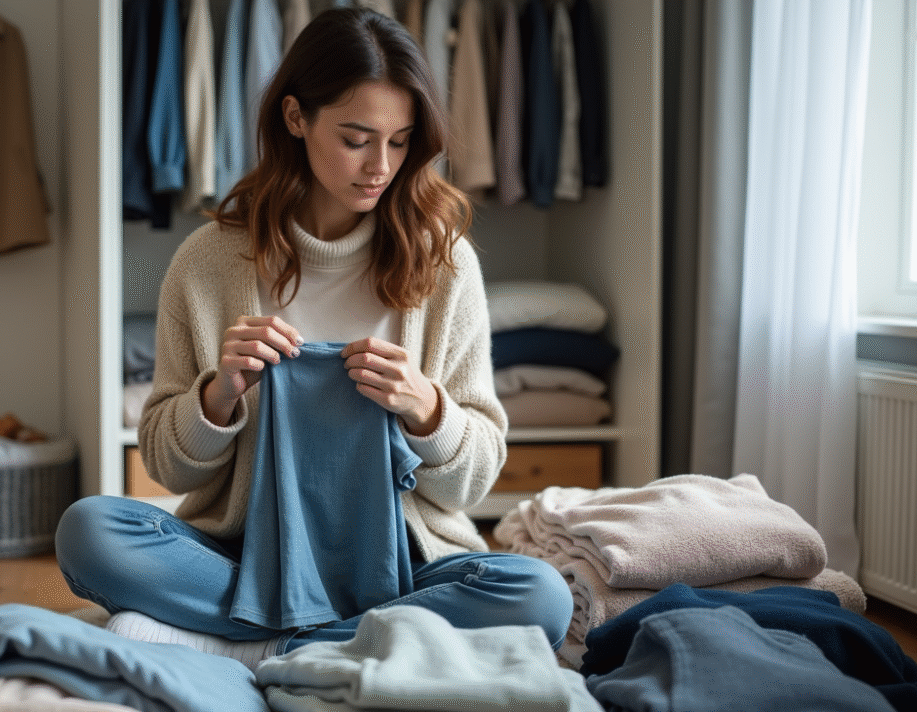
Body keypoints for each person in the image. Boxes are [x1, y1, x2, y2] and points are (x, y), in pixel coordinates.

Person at [55, 6, 572, 671]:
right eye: (356, 139)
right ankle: (360, 642)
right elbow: (165, 464)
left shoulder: (444, 263)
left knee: (541, 595)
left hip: (404, 566)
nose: (380, 166)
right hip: (245, 561)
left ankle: (261, 643)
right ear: (296, 118)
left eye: (400, 141)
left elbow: (474, 481)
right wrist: (218, 397)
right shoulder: (207, 263)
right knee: (89, 531)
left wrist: (427, 409)